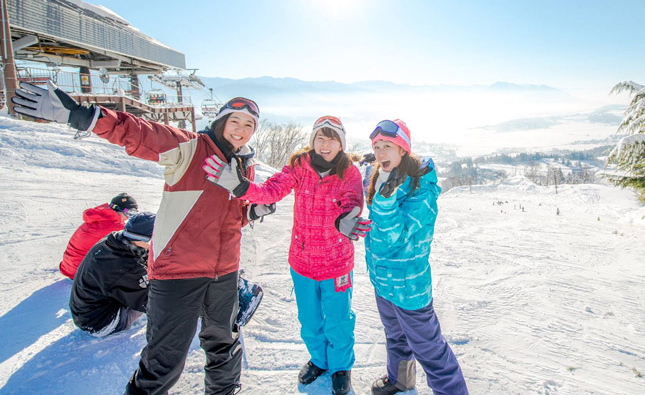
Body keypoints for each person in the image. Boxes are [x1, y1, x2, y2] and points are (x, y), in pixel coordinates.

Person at [12, 82, 273, 395]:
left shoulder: (246, 165)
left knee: (224, 342)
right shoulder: (191, 147)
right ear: (221, 122)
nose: (241, 130)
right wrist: (87, 116)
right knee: (165, 358)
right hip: (179, 271)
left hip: (224, 270)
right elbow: (140, 133)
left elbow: (230, 217)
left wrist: (252, 212)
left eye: (249, 125)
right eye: (235, 121)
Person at [204, 115, 370, 395]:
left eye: (332, 138)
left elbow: (353, 200)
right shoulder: (299, 166)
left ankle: (341, 367)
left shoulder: (348, 171)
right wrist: (242, 187)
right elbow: (273, 189)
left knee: (339, 319)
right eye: (320, 137)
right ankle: (319, 360)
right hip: (303, 262)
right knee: (310, 319)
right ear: (312, 141)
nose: (325, 144)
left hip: (337, 263)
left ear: (341, 144)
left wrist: (346, 217)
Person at [365, 120, 469, 395]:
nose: (380, 152)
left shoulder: (421, 189)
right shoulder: (383, 176)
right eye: (377, 147)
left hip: (408, 285)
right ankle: (400, 380)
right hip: (383, 280)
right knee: (396, 337)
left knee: (431, 350)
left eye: (388, 146)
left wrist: (385, 202)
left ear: (403, 150)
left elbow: (398, 239)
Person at [70, 211, 155, 336]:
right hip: (101, 323)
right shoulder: (125, 267)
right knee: (159, 295)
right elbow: (152, 303)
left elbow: (142, 256)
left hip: (84, 313)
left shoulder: (116, 240)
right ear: (145, 239)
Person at [60, 193, 139, 279]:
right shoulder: (115, 226)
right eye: (129, 213)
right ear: (117, 209)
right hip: (81, 272)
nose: (128, 217)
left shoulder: (99, 217)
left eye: (133, 214)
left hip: (69, 266)